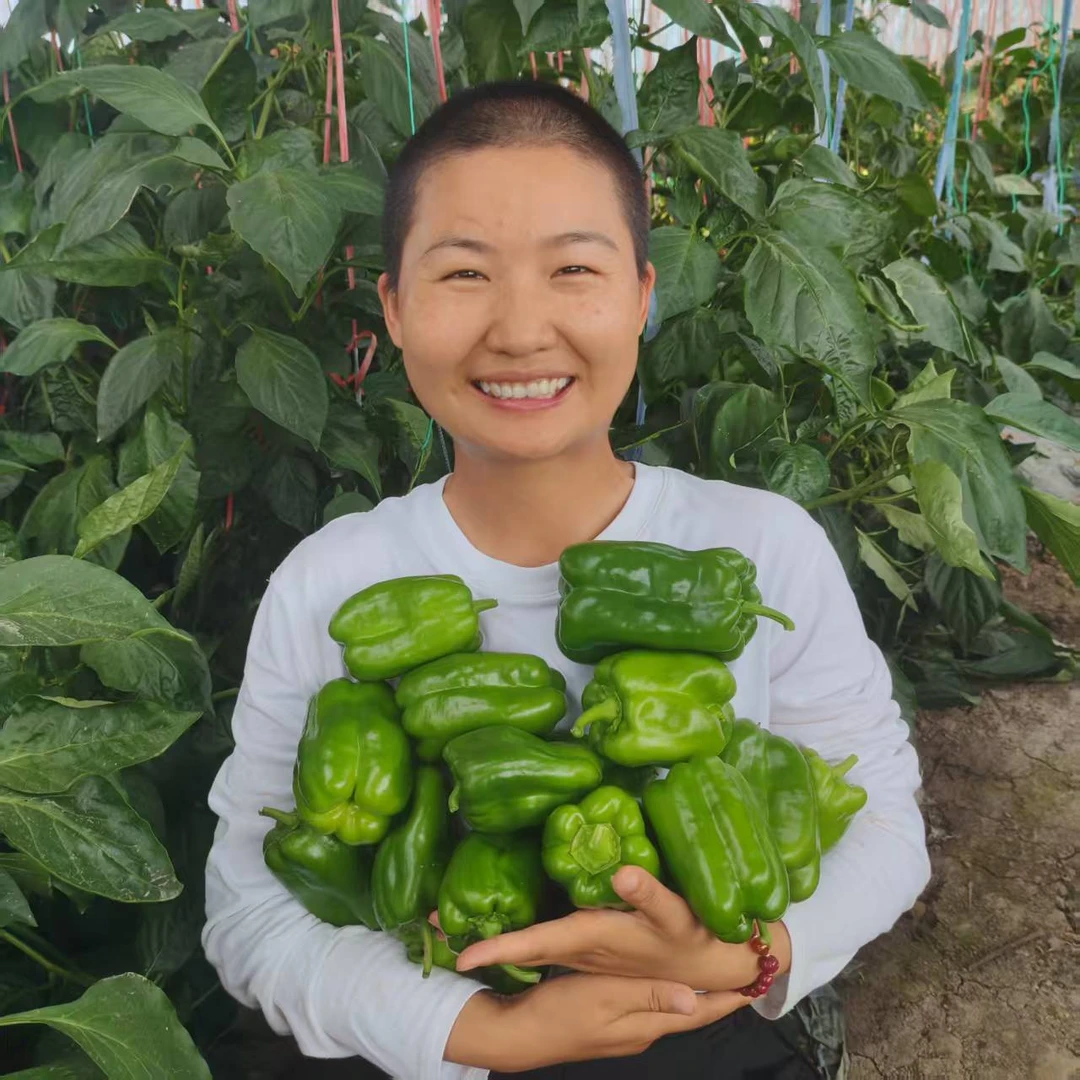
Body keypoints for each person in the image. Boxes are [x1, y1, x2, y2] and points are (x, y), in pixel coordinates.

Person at [202, 80, 931, 1079]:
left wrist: (746, 955)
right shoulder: (329, 582)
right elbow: (249, 905)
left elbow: (886, 824)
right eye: (464, 274)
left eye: (572, 270)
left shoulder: (761, 546)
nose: (520, 329)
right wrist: (485, 1035)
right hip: (417, 1018)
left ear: (640, 293)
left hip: (695, 1015)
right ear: (395, 308)